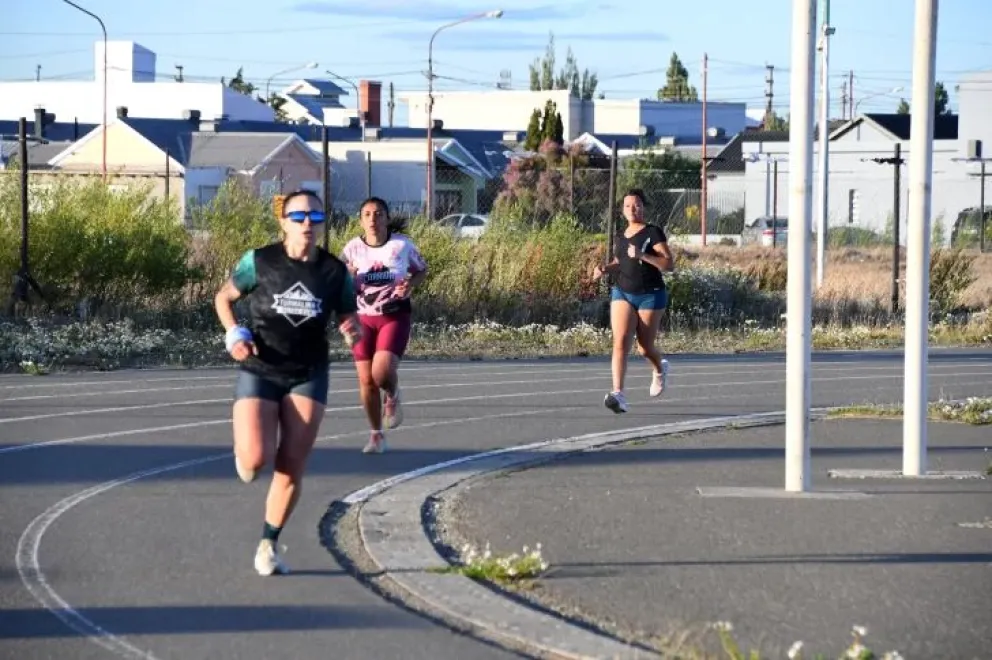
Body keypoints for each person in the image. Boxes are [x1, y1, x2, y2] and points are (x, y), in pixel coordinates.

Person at [214, 189, 361, 576]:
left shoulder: (335, 272)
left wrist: (351, 328)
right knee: (254, 461)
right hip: (261, 367)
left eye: (315, 216)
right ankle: (245, 453)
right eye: (299, 217)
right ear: (284, 223)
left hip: (308, 374)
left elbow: (349, 314)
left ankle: (268, 544)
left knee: (292, 464)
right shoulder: (259, 262)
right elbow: (223, 298)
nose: (308, 223)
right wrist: (234, 334)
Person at [340, 196, 428, 453]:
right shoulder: (352, 249)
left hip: (394, 315)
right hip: (362, 318)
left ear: (388, 219)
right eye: (367, 214)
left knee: (381, 372)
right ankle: (376, 435)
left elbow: (421, 270)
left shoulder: (402, 246)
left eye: (378, 214)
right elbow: (337, 281)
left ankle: (392, 394)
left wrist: (410, 284)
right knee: (366, 380)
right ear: (360, 220)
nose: (373, 219)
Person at [592, 188, 673, 414]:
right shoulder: (620, 234)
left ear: (643, 207)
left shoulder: (652, 233)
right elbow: (621, 260)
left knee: (644, 348)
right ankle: (618, 394)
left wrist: (643, 256)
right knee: (620, 342)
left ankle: (659, 369)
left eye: (636, 205)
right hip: (623, 292)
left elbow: (669, 264)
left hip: (650, 294)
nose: (632, 209)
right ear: (622, 210)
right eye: (628, 206)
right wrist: (605, 269)